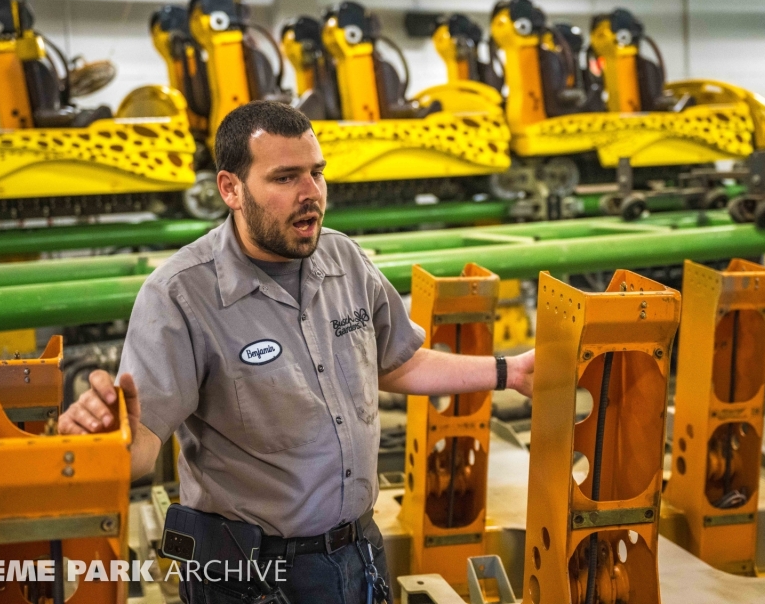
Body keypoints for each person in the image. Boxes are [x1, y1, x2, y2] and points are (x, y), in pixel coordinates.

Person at [58, 101, 535, 604]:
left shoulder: (344, 259)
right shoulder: (180, 295)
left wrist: (511, 370)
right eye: (285, 178)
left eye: (317, 173)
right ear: (230, 189)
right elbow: (142, 446)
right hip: (252, 578)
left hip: (358, 552)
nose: (311, 194)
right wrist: (101, 441)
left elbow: (399, 361)